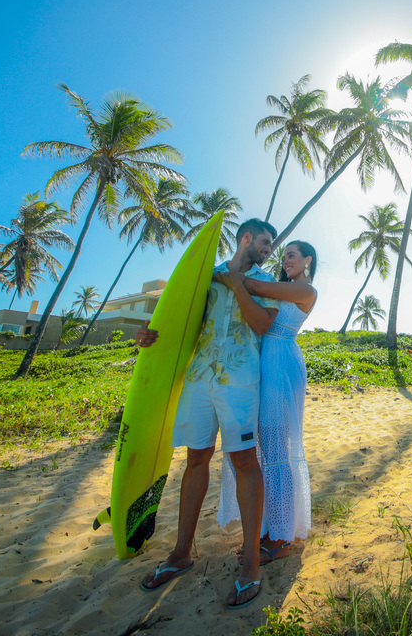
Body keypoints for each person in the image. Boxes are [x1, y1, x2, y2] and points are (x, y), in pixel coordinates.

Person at [134, 218, 278, 609]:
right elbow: (183, 323)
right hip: (199, 378)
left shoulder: (265, 281)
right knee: (195, 458)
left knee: (244, 461)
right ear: (245, 237)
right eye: (265, 241)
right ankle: (181, 553)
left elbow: (263, 325)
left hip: (239, 380)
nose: (269, 249)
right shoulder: (204, 276)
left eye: (272, 245)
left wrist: (237, 285)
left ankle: (250, 562)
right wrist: (152, 335)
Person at [215, 240, 317, 565]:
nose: (285, 260)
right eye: (284, 256)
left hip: (280, 361)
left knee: (276, 450)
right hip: (265, 360)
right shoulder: (283, 288)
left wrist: (222, 274)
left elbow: (255, 284)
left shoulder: (306, 291)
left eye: (291, 255)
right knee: (264, 447)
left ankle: (281, 536)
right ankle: (267, 528)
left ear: (307, 260)